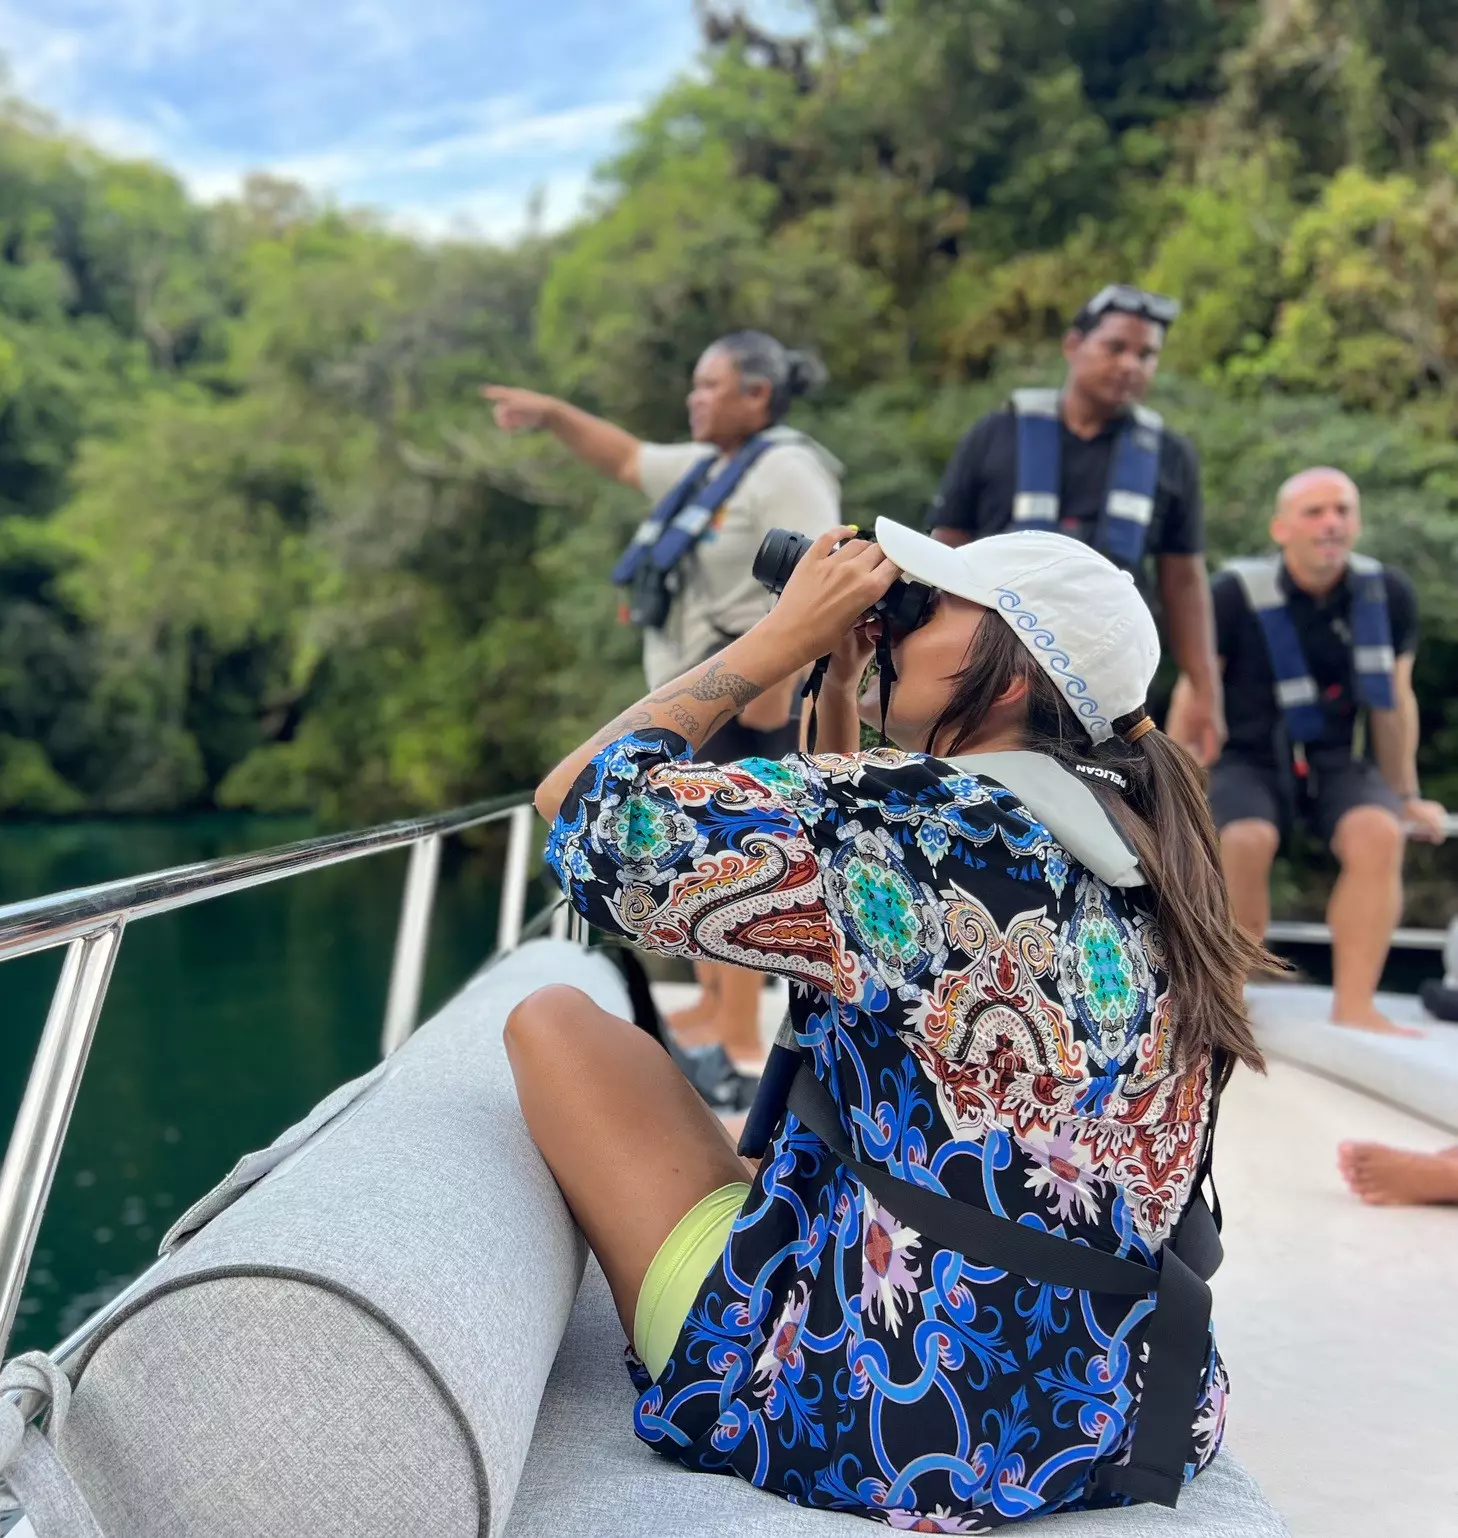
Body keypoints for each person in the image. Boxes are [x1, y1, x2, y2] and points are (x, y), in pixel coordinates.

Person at [505, 521, 1269, 1527]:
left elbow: (577, 810)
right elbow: (843, 912)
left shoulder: (918, 823)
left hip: (896, 1419)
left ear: (1002, 676)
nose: (896, 619)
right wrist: (846, 682)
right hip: (1132, 1404)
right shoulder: (1145, 835)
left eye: (931, 603)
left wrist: (770, 644)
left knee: (555, 1020)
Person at [483, 333, 842, 1073]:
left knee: (733, 859)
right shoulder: (707, 466)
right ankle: (714, 1004)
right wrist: (551, 412)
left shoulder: (786, 469)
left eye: (711, 386)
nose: (694, 398)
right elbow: (622, 457)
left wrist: (773, 700)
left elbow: (818, 577)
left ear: (758, 397)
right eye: (695, 384)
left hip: (747, 703)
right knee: (685, 848)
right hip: (695, 703)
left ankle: (740, 1034)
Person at [1174, 467, 1446, 1035]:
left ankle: (1355, 1005)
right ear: (1281, 528)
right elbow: (1196, 692)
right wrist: (1171, 788)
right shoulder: (1231, 594)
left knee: (1380, 832)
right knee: (1247, 839)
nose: (1331, 523)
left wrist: (1406, 795)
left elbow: (1396, 700)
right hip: (1248, 756)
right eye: (1315, 512)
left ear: (1358, 523)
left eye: (1342, 511)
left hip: (1336, 759)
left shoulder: (1387, 594)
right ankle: (1229, 1003)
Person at [926, 284, 1224, 764]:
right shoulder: (995, 434)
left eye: (1147, 355)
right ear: (1073, 345)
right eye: (1116, 347)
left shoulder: (1170, 456)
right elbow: (943, 551)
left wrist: (1206, 693)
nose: (1131, 364)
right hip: (995, 668)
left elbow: (1184, 583)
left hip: (1111, 686)